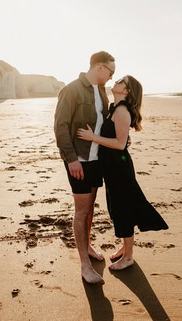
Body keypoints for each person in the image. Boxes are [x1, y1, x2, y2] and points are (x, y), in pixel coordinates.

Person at [77, 75, 168, 271]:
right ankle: (125, 248)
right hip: (113, 168)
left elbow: (119, 144)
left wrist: (93, 138)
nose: (116, 82)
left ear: (126, 91)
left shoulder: (121, 111)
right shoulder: (115, 109)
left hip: (119, 168)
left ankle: (128, 257)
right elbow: (121, 139)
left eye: (121, 82)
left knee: (123, 208)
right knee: (119, 207)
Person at [54, 51, 115, 284]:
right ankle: (84, 265)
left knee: (90, 208)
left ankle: (87, 246)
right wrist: (71, 159)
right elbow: (61, 127)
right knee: (80, 211)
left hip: (97, 158)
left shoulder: (101, 91)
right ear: (100, 67)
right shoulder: (71, 90)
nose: (111, 77)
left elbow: (102, 123)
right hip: (79, 160)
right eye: (110, 72)